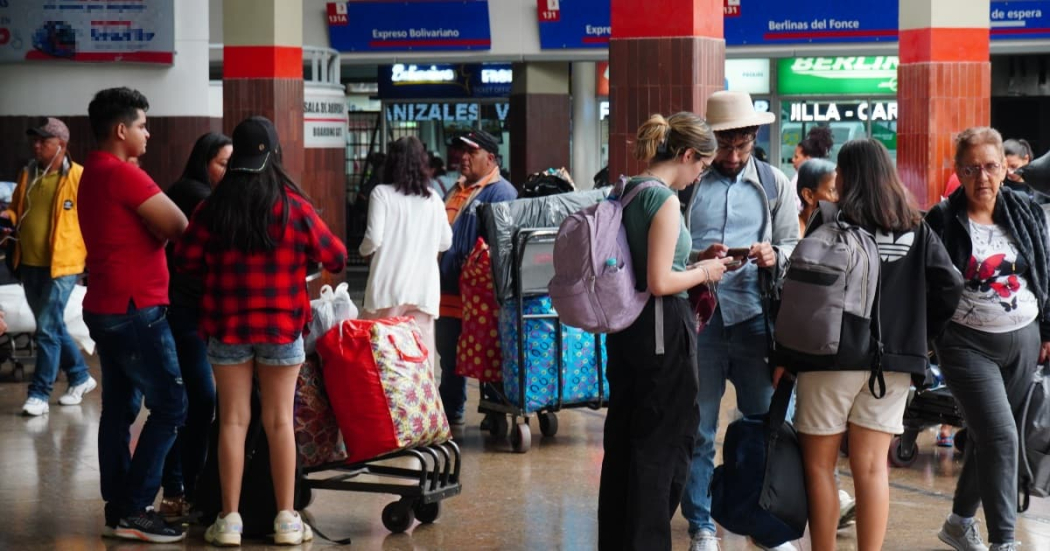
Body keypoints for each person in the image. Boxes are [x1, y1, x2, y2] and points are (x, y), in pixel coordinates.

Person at [174, 116, 346, 547]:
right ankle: (286, 519)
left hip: (227, 326)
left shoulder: (212, 207)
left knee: (231, 420)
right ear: (273, 154)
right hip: (282, 326)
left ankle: (229, 520)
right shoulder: (294, 206)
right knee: (279, 422)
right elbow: (337, 255)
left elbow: (185, 261)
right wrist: (299, 265)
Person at [792, 138, 962, 551]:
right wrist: (919, 338)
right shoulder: (916, 226)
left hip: (829, 357)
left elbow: (801, 289)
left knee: (820, 467)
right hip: (894, 365)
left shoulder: (831, 218)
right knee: (872, 470)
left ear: (846, 176)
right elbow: (950, 285)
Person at [598, 112, 731, 551]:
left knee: (625, 443)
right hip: (662, 332)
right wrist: (707, 270)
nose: (699, 176)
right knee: (662, 448)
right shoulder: (666, 200)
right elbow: (659, 282)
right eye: (702, 166)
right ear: (687, 154)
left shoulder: (629, 188)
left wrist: (691, 264)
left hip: (628, 330)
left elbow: (649, 267)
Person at [679, 90, 800, 551]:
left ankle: (761, 519)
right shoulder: (689, 185)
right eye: (724, 146)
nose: (732, 156)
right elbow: (669, 253)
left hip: (755, 321)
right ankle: (702, 524)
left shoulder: (774, 184)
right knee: (700, 428)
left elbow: (794, 244)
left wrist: (774, 255)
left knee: (764, 424)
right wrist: (697, 257)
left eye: (742, 146)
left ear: (754, 138)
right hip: (701, 322)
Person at [926, 126, 1050, 551]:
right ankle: (1005, 542)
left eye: (992, 166)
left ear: (1005, 168)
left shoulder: (1025, 210)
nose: (983, 177)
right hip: (965, 344)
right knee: (1000, 435)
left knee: (990, 435)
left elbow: (1044, 270)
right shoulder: (941, 220)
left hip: (1025, 339)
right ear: (958, 171)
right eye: (973, 168)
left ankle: (960, 522)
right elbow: (926, 286)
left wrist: (1047, 329)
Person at [79, 87, 189, 542]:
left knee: (119, 409)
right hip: (135, 309)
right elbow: (179, 224)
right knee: (171, 405)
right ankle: (136, 508)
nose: (148, 132)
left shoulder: (91, 172)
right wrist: (154, 232)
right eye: (143, 125)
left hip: (105, 306)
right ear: (121, 130)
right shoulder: (124, 176)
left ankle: (117, 505)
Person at [156, 132, 232, 518]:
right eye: (223, 163)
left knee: (192, 400)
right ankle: (179, 485)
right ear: (205, 162)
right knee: (195, 399)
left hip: (196, 312)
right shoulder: (197, 195)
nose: (229, 171)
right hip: (184, 313)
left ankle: (186, 485)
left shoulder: (201, 192)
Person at [3, 117, 94, 416]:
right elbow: (17, 209)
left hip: (64, 266)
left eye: (44, 141)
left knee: (45, 328)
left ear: (62, 145)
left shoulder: (78, 177)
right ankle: (80, 377)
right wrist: (9, 220)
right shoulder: (29, 174)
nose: (37, 146)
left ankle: (39, 393)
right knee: (51, 326)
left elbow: (93, 221)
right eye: (35, 141)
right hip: (28, 263)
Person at [436, 129, 516, 426]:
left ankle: (497, 411)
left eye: (472, 153)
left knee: (489, 354)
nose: (463, 158)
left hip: (479, 297)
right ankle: (452, 410)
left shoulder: (501, 192)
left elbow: (503, 245)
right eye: (462, 152)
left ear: (491, 158)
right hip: (447, 292)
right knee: (450, 357)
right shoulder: (454, 189)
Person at [360, 136, 452, 366]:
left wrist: (364, 250)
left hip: (387, 290)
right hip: (424, 292)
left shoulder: (381, 194)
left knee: (384, 361)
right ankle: (420, 402)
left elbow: (373, 238)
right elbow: (446, 242)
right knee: (420, 361)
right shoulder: (434, 200)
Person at [796, 158, 838, 235]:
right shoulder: (792, 235)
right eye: (833, 191)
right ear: (808, 195)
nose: (838, 198)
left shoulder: (834, 225)